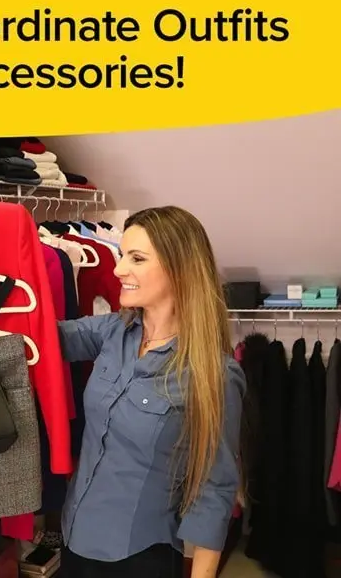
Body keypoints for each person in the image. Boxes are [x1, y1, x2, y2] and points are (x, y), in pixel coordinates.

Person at [57, 206, 246, 578]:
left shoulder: (214, 373)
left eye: (136, 258)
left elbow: (215, 490)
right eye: (121, 255)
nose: (117, 269)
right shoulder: (113, 332)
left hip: (139, 557)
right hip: (73, 538)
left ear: (179, 269)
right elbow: (41, 339)